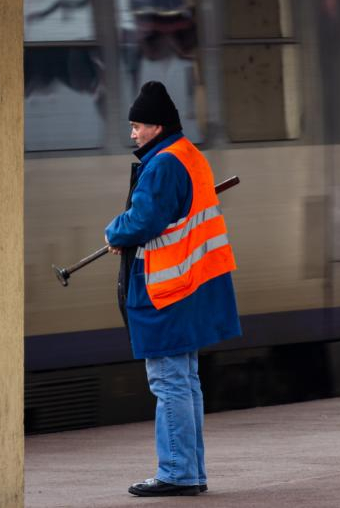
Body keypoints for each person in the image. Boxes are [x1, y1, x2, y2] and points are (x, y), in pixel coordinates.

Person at [105, 81, 242, 497]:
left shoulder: (163, 164)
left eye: (137, 125)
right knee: (185, 381)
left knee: (168, 382)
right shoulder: (190, 155)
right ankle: (190, 471)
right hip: (191, 281)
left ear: (157, 126)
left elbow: (144, 219)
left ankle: (178, 472)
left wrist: (115, 230)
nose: (133, 133)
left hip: (166, 287)